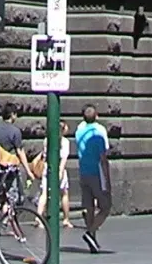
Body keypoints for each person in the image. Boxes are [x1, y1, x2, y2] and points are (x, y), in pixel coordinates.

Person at [74, 105, 112, 251]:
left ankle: (93, 241)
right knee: (105, 206)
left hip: (83, 172)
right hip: (96, 174)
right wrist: (107, 181)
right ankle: (90, 232)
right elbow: (103, 159)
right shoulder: (98, 135)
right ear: (96, 116)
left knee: (89, 207)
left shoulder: (79, 132)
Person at [35, 120, 72, 227]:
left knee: (44, 193)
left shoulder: (47, 140)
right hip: (58, 168)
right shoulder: (65, 142)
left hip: (47, 168)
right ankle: (66, 218)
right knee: (64, 193)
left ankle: (38, 216)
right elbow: (64, 159)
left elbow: (44, 155)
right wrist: (60, 172)